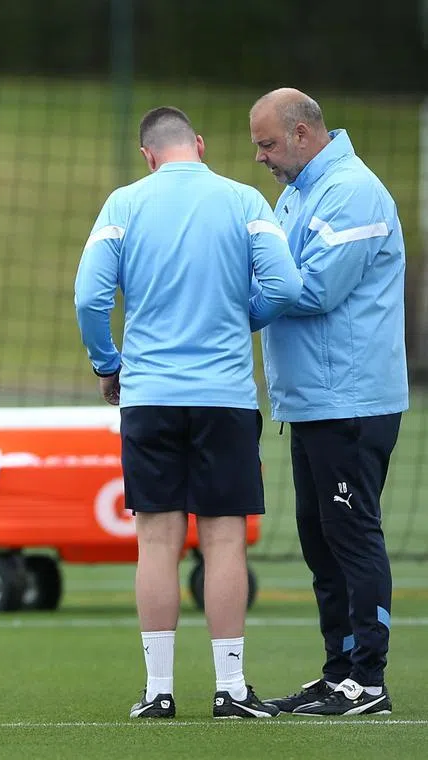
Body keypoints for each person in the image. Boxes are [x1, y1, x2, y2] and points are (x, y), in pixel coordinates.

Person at [74, 106, 302, 720]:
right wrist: (240, 317)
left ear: (148, 155)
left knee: (156, 540)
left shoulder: (123, 204)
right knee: (224, 540)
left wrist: (107, 364)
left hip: (148, 394)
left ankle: (158, 691)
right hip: (224, 395)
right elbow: (283, 286)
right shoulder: (246, 200)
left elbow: (90, 296)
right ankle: (230, 689)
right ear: (198, 145)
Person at [250, 88, 407, 716]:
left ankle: (367, 680)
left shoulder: (352, 191)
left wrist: (228, 310)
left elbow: (310, 288)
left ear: (302, 133)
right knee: (319, 538)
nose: (260, 156)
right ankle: (339, 668)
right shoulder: (299, 191)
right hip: (312, 401)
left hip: (351, 399)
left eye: (266, 143)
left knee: (351, 534)